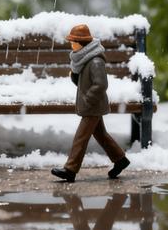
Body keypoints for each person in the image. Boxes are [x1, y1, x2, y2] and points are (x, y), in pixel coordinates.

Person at [51, 24, 130, 183]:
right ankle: (120, 160)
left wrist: (87, 99)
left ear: (82, 43)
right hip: (92, 105)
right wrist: (75, 76)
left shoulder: (95, 61)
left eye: (73, 41)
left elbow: (101, 85)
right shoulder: (84, 59)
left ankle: (70, 169)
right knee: (101, 135)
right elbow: (85, 84)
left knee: (81, 137)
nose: (71, 44)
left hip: (93, 106)